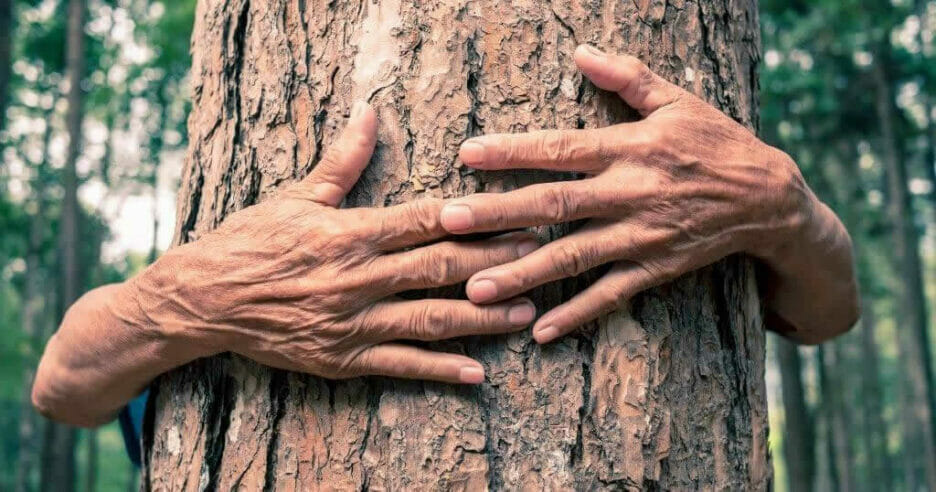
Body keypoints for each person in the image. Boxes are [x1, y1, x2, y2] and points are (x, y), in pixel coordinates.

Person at [32, 45, 859, 457]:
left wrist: (787, 207)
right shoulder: (212, 276)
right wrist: (197, 299)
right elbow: (64, 386)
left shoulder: (710, 188)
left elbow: (822, 314)